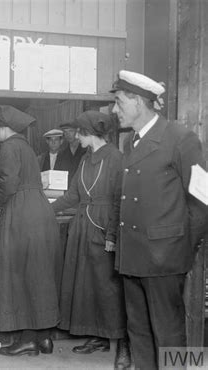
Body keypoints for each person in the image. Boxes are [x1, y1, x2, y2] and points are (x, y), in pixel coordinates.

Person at [111, 70, 207, 369]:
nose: (115, 110)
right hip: (134, 254)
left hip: (165, 257)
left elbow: (203, 200)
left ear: (139, 102)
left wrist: (181, 249)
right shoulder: (131, 142)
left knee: (170, 332)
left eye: (119, 102)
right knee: (138, 331)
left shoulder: (181, 138)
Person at [0, 105, 61, 357]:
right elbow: (11, 180)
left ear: (3, 128)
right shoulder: (25, 148)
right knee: (38, 273)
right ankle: (44, 338)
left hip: (21, 214)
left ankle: (27, 340)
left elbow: (8, 185)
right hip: (38, 211)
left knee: (20, 274)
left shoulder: (8, 147)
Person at [50, 111, 131, 369]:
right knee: (87, 284)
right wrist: (44, 209)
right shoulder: (85, 159)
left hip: (103, 226)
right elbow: (72, 196)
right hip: (82, 226)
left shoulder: (115, 158)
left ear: (88, 133)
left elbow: (121, 200)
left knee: (108, 288)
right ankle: (99, 337)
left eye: (77, 132)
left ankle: (122, 343)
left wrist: (112, 235)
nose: (74, 136)